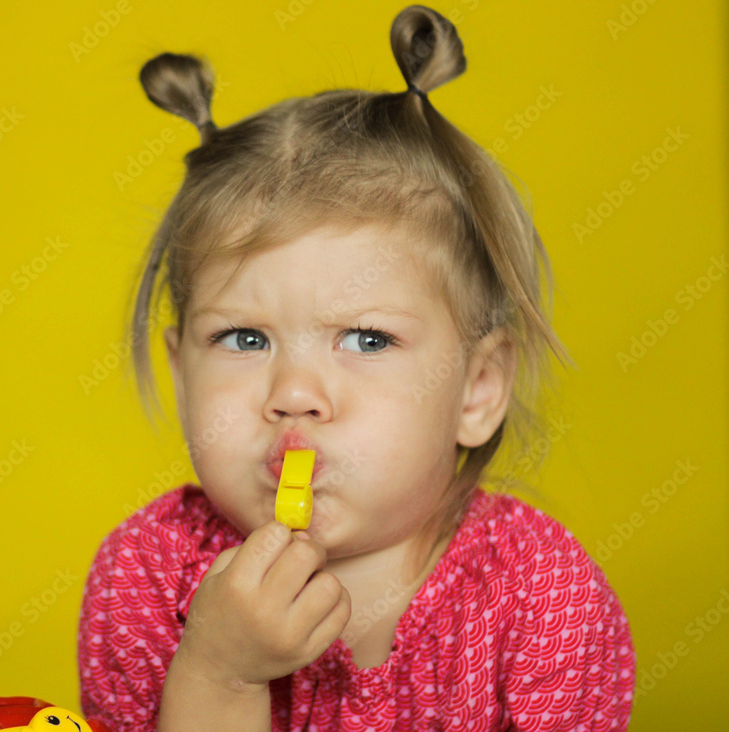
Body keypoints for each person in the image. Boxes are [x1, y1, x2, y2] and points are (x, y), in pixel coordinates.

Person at [77, 5, 635, 730]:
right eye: (243, 339)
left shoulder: (542, 596)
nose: (294, 394)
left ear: (478, 389)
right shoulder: (145, 574)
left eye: (367, 340)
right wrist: (219, 675)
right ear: (183, 377)